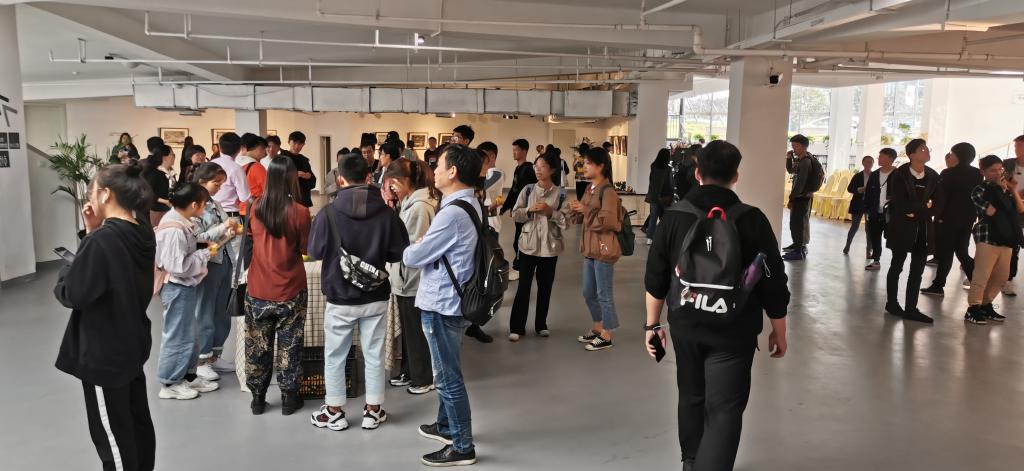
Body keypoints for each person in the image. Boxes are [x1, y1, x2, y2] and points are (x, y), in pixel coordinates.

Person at [644, 140, 789, 471]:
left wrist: (653, 325)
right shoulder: (752, 219)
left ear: (697, 173)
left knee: (691, 396)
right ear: (735, 176)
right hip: (734, 330)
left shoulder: (674, 217)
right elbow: (773, 280)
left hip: (686, 324)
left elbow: (656, 277)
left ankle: (691, 462)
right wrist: (778, 328)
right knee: (724, 409)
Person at [54, 161, 157, 471]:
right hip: (131, 342)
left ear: (106, 194)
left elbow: (73, 293)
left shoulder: (102, 241)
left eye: (92, 191)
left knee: (113, 437)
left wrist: (79, 252)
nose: (90, 198)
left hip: (104, 353)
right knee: (136, 423)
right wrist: (91, 233)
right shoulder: (142, 232)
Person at [307, 154, 409, 432]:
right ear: (368, 177)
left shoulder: (328, 213)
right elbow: (398, 253)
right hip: (375, 295)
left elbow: (314, 251)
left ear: (340, 179)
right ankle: (373, 411)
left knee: (335, 355)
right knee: (374, 354)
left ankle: (334, 412)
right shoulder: (387, 213)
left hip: (340, 297)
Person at [402, 144, 483, 467]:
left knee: (448, 377)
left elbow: (413, 257)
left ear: (453, 172)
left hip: (442, 302)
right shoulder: (470, 203)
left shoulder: (451, 214)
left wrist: (417, 245)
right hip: (455, 299)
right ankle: (446, 426)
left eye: (439, 165)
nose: (433, 170)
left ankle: (462, 446)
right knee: (447, 368)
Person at [245, 157, 312, 416]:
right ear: (292, 178)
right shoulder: (300, 212)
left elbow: (251, 239)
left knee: (257, 345)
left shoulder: (255, 208)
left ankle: (258, 399)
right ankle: (289, 398)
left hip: (258, 288)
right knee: (290, 344)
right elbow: (305, 248)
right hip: (291, 288)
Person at [154, 182, 220, 400]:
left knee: (189, 335)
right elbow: (178, 266)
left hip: (184, 286)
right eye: (203, 204)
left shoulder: (181, 221)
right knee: (177, 335)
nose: (205, 208)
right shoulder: (174, 229)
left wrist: (203, 246)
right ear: (194, 205)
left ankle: (188, 376)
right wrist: (206, 254)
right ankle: (170, 382)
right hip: (176, 286)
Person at [383, 158, 439, 394]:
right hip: (405, 278)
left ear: (406, 180)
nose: (391, 187)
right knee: (408, 332)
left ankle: (423, 377)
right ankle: (409, 371)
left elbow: (416, 250)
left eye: (394, 182)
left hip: (413, 280)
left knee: (416, 332)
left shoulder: (420, 207)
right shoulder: (410, 202)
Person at [508, 151, 567, 341]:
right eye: (536, 166)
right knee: (523, 287)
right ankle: (517, 327)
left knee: (545, 287)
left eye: (542, 167)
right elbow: (515, 214)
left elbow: (566, 222)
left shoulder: (561, 194)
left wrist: (551, 212)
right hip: (528, 246)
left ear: (552, 170)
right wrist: (528, 210)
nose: (538, 170)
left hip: (550, 248)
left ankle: (541, 324)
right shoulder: (528, 190)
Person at [567, 147, 622, 351]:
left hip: (603, 249)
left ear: (601, 166)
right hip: (590, 248)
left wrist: (585, 210)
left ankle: (607, 334)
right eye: (584, 163)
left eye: (589, 163)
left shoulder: (608, 192)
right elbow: (584, 216)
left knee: (603, 293)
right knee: (588, 292)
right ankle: (598, 327)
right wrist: (576, 211)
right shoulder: (590, 189)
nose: (584, 166)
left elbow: (609, 221)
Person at [885, 139, 944, 324]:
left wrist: (918, 212)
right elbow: (900, 203)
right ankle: (892, 303)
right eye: (922, 148)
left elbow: (939, 204)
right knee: (897, 265)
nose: (927, 151)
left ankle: (911, 308)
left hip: (923, 229)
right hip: (901, 227)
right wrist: (925, 207)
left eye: (927, 148)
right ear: (912, 155)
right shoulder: (899, 174)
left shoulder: (933, 176)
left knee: (917, 270)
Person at [191, 163, 240, 378]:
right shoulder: (194, 206)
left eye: (221, 183)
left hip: (224, 258)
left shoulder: (214, 203)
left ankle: (214, 355)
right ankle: (201, 359)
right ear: (202, 182)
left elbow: (223, 230)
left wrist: (231, 230)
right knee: (205, 310)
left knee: (222, 310)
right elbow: (196, 238)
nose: (219, 187)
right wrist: (223, 228)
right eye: (216, 183)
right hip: (208, 263)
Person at [964, 155, 1024, 324]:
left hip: (1007, 237)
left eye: (1000, 169)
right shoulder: (979, 190)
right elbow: (990, 211)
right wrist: (999, 190)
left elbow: (1020, 209)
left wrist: (1012, 191)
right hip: (987, 236)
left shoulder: (1006, 189)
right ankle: (973, 308)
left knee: (1002, 276)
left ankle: (986, 304)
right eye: (993, 170)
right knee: (982, 275)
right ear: (983, 172)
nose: (998, 173)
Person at [921, 143, 983, 297]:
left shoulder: (948, 173)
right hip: (967, 219)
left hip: (947, 219)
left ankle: (938, 286)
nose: (951, 155)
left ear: (958, 155)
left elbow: (941, 198)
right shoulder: (977, 173)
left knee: (946, 253)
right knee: (962, 252)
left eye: (952, 153)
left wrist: (936, 215)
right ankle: (978, 284)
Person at [500, 139, 538, 282]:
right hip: (518, 211)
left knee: (520, 240)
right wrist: (506, 207)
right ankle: (523, 266)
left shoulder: (529, 169)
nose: (513, 152)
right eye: (513, 150)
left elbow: (530, 192)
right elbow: (514, 191)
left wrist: (525, 210)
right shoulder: (518, 169)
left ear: (524, 151)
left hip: (525, 212)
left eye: (516, 150)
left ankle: (520, 268)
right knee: (519, 239)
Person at [783, 134, 819, 260]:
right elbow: (791, 170)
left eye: (796, 146)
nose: (794, 149)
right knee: (795, 222)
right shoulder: (801, 159)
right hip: (800, 196)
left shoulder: (806, 161)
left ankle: (798, 251)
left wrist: (792, 198)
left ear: (804, 147)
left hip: (801, 196)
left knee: (798, 224)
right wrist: (789, 158)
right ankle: (797, 245)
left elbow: (800, 183)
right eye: (793, 146)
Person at [864, 148, 897, 271]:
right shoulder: (874, 174)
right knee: (875, 237)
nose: (878, 158)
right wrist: (867, 210)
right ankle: (876, 260)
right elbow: (868, 194)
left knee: (893, 238)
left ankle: (896, 262)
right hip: (875, 212)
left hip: (891, 214)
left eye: (881, 156)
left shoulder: (898, 174)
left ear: (890, 158)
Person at [1003, 134, 1024, 296]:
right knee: (1012, 243)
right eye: (1016, 146)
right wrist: (1009, 187)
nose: (1017, 149)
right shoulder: (1008, 163)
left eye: (1020, 146)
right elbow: (999, 180)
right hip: (1009, 206)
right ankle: (1007, 279)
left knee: (1015, 242)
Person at [211, 132, 250, 219]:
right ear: (239, 149)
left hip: (210, 215)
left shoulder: (210, 164)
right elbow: (244, 197)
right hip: (230, 216)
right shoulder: (237, 168)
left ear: (219, 147)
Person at [843, 155, 875, 256]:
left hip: (870, 205)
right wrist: (858, 190)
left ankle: (868, 250)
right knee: (854, 226)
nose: (869, 164)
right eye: (867, 162)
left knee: (869, 229)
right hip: (858, 204)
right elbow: (850, 189)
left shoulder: (875, 176)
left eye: (871, 162)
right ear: (863, 163)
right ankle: (847, 246)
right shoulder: (857, 176)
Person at [645, 148, 674, 245]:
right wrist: (672, 194)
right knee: (665, 218)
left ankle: (649, 238)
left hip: (654, 196)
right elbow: (670, 183)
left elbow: (651, 181)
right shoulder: (668, 169)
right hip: (665, 196)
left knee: (653, 217)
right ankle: (663, 237)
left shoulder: (653, 166)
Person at [280, 131, 317, 207]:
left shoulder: (304, 160)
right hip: (286, 198)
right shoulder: (282, 157)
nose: (297, 146)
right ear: (289, 142)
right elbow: (277, 176)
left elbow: (312, 180)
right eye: (294, 143)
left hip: (302, 199)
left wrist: (308, 176)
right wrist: (293, 174)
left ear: (303, 144)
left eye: (300, 144)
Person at [143, 144, 175, 227]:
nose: (174, 157)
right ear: (164, 157)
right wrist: (165, 201)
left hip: (169, 209)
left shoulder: (170, 173)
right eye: (172, 154)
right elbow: (147, 193)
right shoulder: (155, 173)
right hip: (158, 211)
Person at [238, 133, 270, 217]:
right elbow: (267, 189)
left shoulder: (236, 164)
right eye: (262, 148)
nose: (265, 152)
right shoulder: (256, 167)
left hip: (239, 209)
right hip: (254, 210)